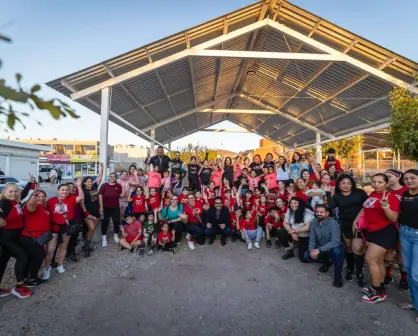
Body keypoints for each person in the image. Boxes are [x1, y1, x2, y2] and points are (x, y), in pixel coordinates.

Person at [356, 173, 399, 304]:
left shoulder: (391, 197)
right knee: (378, 260)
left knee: (370, 259)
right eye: (374, 181)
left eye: (380, 182)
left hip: (385, 232)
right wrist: (357, 221)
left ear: (387, 183)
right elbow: (365, 210)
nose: (376, 184)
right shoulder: (373, 194)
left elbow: (393, 218)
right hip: (372, 231)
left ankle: (377, 292)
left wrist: (385, 206)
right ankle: (379, 287)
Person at [329, 174, 368, 286]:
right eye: (343, 183)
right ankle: (350, 268)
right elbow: (331, 206)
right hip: (345, 224)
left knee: (358, 248)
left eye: (349, 183)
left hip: (359, 224)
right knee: (349, 247)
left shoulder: (360, 193)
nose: (346, 185)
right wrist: (329, 193)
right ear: (339, 185)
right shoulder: (337, 196)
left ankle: (359, 272)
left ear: (352, 184)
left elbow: (367, 206)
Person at [43, 178, 84, 279]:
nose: (65, 191)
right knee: (50, 249)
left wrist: (79, 186)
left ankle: (60, 265)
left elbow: (81, 198)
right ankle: (47, 268)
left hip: (66, 226)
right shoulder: (51, 201)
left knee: (63, 247)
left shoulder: (72, 198)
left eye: (66, 190)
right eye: (62, 190)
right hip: (54, 227)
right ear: (58, 191)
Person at [0, 183, 31, 299]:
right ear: (5, 193)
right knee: (22, 256)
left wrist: (30, 183)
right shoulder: (4, 203)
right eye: (10, 191)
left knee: (2, 263)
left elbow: (23, 194)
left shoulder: (16, 203)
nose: (14, 193)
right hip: (6, 239)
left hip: (14, 238)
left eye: (16, 191)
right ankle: (19, 286)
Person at [305, 204, 345, 288]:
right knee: (307, 255)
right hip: (321, 247)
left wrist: (319, 250)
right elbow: (312, 239)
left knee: (337, 252)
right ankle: (326, 262)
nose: (319, 213)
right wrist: (312, 249)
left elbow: (336, 241)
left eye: (321, 212)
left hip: (333, 247)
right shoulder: (313, 222)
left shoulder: (333, 223)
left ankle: (338, 276)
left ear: (327, 213)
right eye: (317, 211)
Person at [397, 169, 418, 323]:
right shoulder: (405, 195)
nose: (409, 181)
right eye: (407, 179)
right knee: (409, 270)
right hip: (404, 232)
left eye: (413, 178)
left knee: (416, 274)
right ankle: (415, 303)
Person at [20, 185, 51, 287]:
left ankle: (26, 278)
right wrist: (34, 195)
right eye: (39, 197)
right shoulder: (32, 206)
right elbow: (30, 206)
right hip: (30, 238)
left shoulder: (42, 207)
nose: (41, 198)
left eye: (43, 196)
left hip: (38, 238)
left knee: (31, 258)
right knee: (38, 257)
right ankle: (32, 279)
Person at [384, 169, 409, 290]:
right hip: (386, 224)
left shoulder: (406, 190)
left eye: (389, 176)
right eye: (386, 177)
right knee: (388, 251)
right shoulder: (384, 190)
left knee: (400, 251)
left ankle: (404, 278)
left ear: (399, 176)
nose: (387, 178)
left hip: (402, 224)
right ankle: (388, 276)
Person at [278, 197, 314, 262]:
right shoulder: (289, 210)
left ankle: (302, 245)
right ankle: (289, 250)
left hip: (305, 234)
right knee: (280, 232)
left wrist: (294, 231)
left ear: (300, 204)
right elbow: (285, 223)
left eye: (295, 203)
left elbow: (307, 228)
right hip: (293, 231)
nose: (293, 205)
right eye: (291, 203)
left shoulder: (307, 211)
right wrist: (292, 233)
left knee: (303, 259)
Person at [81, 163, 104, 258]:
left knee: (91, 229)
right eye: (88, 181)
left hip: (96, 212)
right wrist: (87, 213)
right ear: (84, 183)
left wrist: (102, 168)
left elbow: (99, 177)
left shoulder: (94, 187)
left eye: (91, 181)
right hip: (88, 213)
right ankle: (86, 246)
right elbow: (81, 203)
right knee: (91, 228)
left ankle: (86, 244)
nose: (90, 183)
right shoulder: (83, 190)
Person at [99, 173, 123, 247]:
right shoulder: (104, 185)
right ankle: (104, 238)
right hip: (105, 207)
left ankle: (115, 235)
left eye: (114, 177)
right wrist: (101, 207)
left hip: (115, 207)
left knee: (116, 222)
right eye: (111, 176)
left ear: (116, 178)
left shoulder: (118, 186)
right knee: (104, 222)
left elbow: (121, 195)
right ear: (109, 177)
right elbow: (100, 196)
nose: (112, 178)